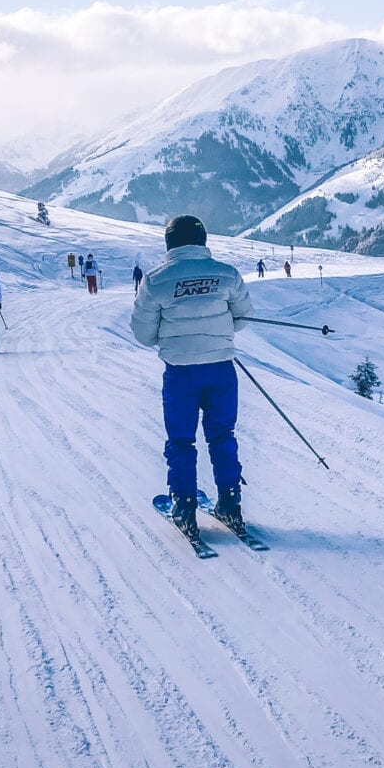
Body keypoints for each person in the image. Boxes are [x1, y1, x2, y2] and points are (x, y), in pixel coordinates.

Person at [130, 214, 253, 533]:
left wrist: (175, 339)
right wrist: (216, 335)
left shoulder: (156, 280)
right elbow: (242, 318)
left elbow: (143, 334)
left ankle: (184, 506)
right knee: (222, 435)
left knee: (181, 440)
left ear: (169, 242)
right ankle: (230, 503)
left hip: (180, 373)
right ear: (203, 240)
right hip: (222, 371)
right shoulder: (227, 275)